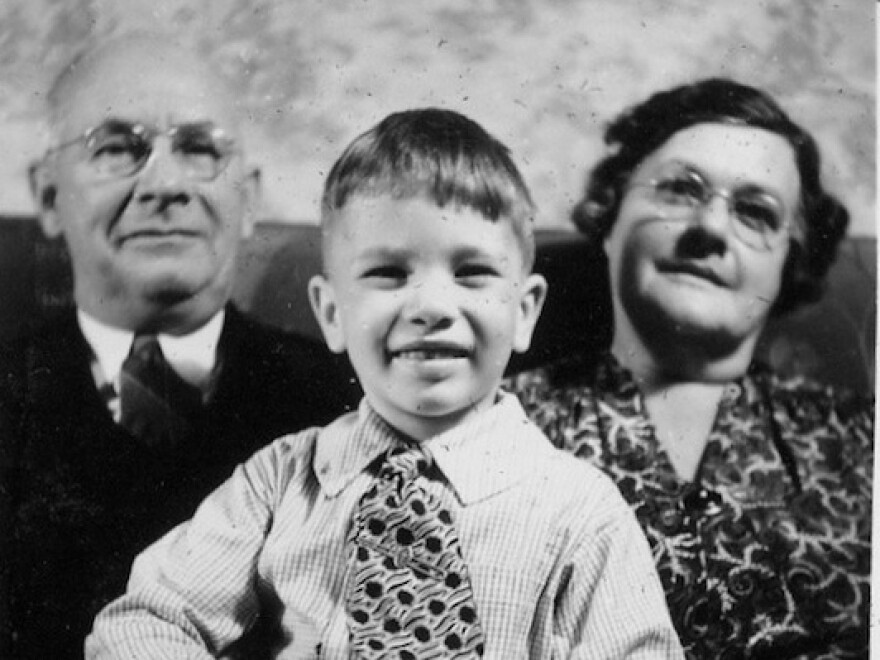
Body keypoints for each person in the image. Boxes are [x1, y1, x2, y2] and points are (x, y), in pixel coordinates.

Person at [85, 108, 683, 659]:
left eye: (472, 273)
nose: (430, 305)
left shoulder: (579, 509)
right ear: (331, 314)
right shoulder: (279, 483)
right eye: (389, 273)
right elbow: (143, 622)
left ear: (524, 312)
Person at [0, 34, 358, 660]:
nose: (164, 183)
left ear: (247, 198)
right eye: (116, 148)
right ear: (49, 196)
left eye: (198, 149)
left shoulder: (344, 408)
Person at [510, 78, 873, 659]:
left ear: (790, 262)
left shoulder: (864, 443)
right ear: (610, 217)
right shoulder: (492, 431)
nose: (711, 228)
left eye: (756, 212)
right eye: (681, 189)